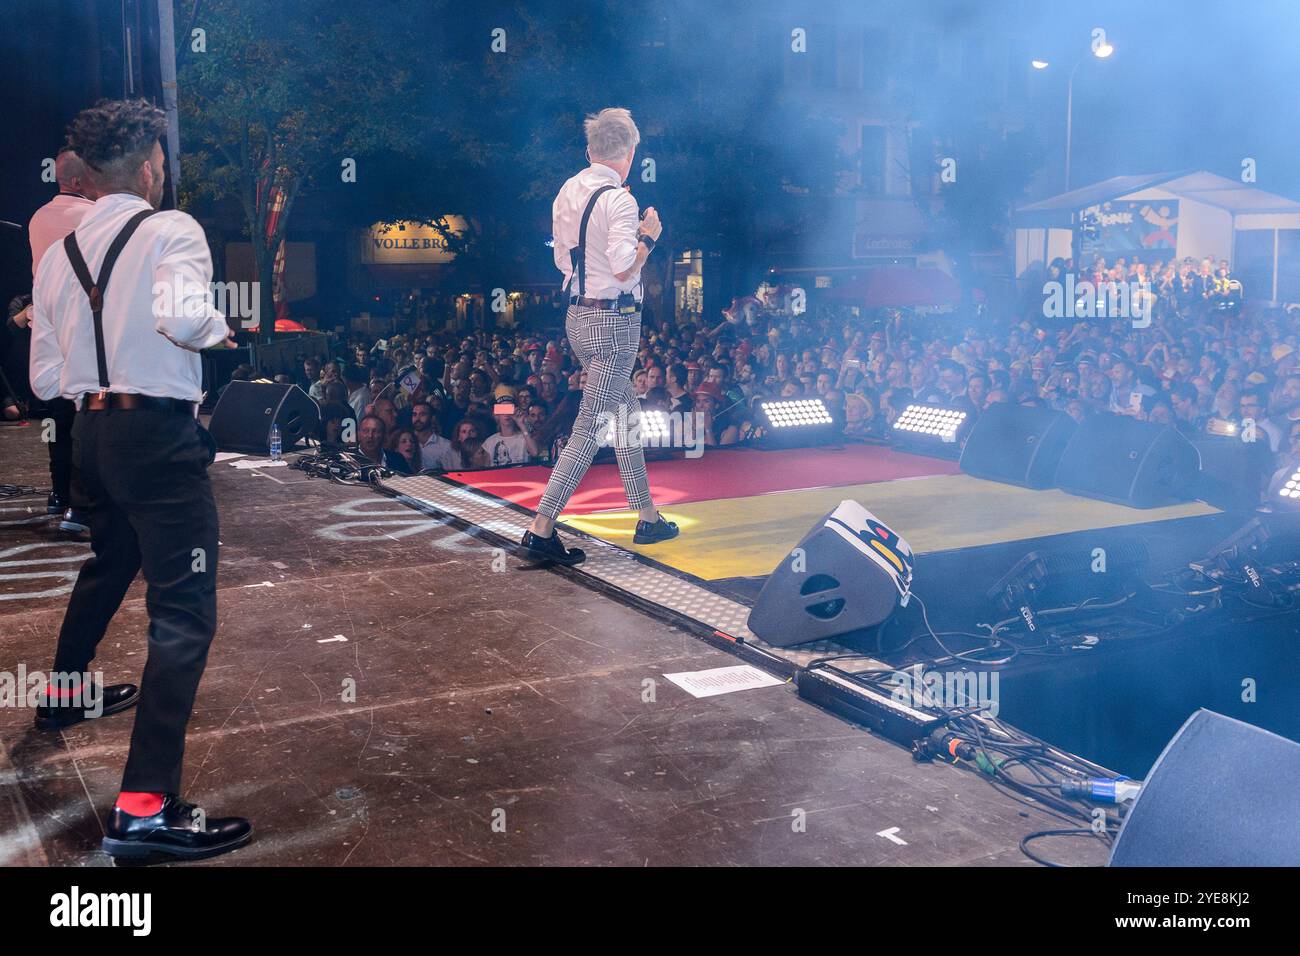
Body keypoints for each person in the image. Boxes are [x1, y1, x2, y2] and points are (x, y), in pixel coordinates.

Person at [28, 99, 250, 861]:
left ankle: (60, 692)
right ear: (149, 166)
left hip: (91, 432)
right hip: (156, 437)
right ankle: (144, 806)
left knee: (109, 561)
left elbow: (48, 375)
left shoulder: (58, 257)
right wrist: (222, 329)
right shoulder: (170, 230)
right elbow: (185, 319)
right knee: (184, 615)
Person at [520, 107, 678, 565]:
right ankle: (540, 527)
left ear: (590, 151)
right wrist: (649, 237)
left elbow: (562, 262)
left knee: (626, 414)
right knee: (590, 430)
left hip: (577, 318)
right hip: (614, 323)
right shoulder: (620, 201)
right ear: (630, 152)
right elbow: (625, 264)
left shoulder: (567, 190)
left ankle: (647, 517)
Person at [25, 146, 101, 532]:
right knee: (85, 417)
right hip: (81, 329)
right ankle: (83, 503)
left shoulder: (38, 218)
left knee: (56, 419)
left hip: (47, 328)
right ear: (77, 180)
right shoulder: (93, 217)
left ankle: (59, 496)